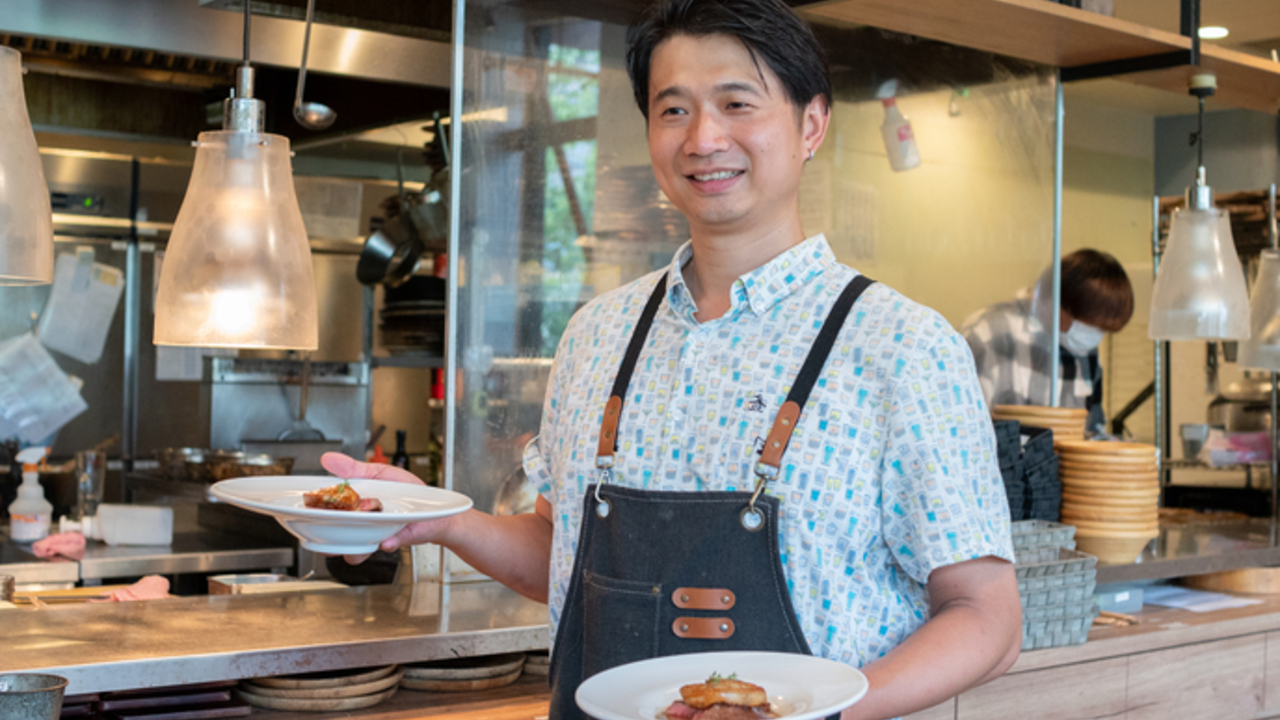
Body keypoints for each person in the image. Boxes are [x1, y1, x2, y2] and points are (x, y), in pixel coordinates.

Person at [324, 1, 1021, 717]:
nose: (704, 138)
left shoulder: (903, 348)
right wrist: (439, 519)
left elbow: (988, 619)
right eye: (674, 111)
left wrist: (821, 714)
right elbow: (558, 551)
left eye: (737, 103)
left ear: (811, 124)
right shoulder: (598, 334)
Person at [961, 249, 1134, 434]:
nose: (1095, 337)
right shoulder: (989, 335)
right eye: (1091, 327)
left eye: (1103, 331)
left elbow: (1092, 431)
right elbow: (963, 431)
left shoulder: (1082, 349)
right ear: (1054, 302)